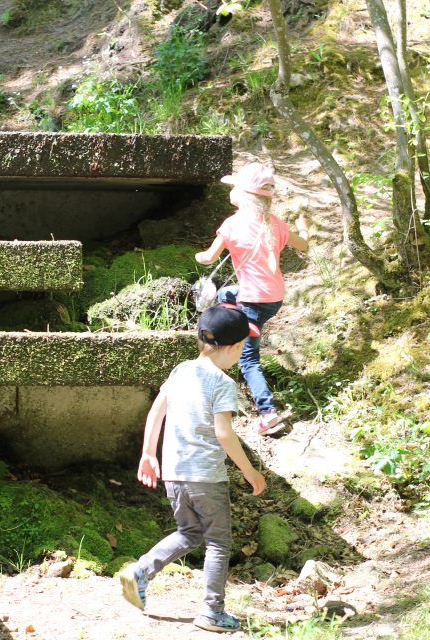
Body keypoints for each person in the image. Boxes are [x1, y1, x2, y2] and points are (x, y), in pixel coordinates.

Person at [119, 303, 267, 633]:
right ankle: (212, 611)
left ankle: (141, 571)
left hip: (174, 474)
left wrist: (148, 453)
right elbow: (224, 433)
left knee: (189, 532)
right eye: (242, 347)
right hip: (205, 478)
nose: (241, 354)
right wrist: (248, 470)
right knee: (218, 542)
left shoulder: (180, 371)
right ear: (232, 347)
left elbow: (156, 412)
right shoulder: (222, 383)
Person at [194, 162, 309, 435]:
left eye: (234, 187)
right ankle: (241, 324)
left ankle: (268, 414)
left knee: (249, 361)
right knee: (225, 294)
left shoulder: (232, 224)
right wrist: (304, 228)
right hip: (273, 298)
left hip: (253, 301)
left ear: (242, 195)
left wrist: (198, 256)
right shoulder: (277, 224)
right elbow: (303, 244)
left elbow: (209, 258)